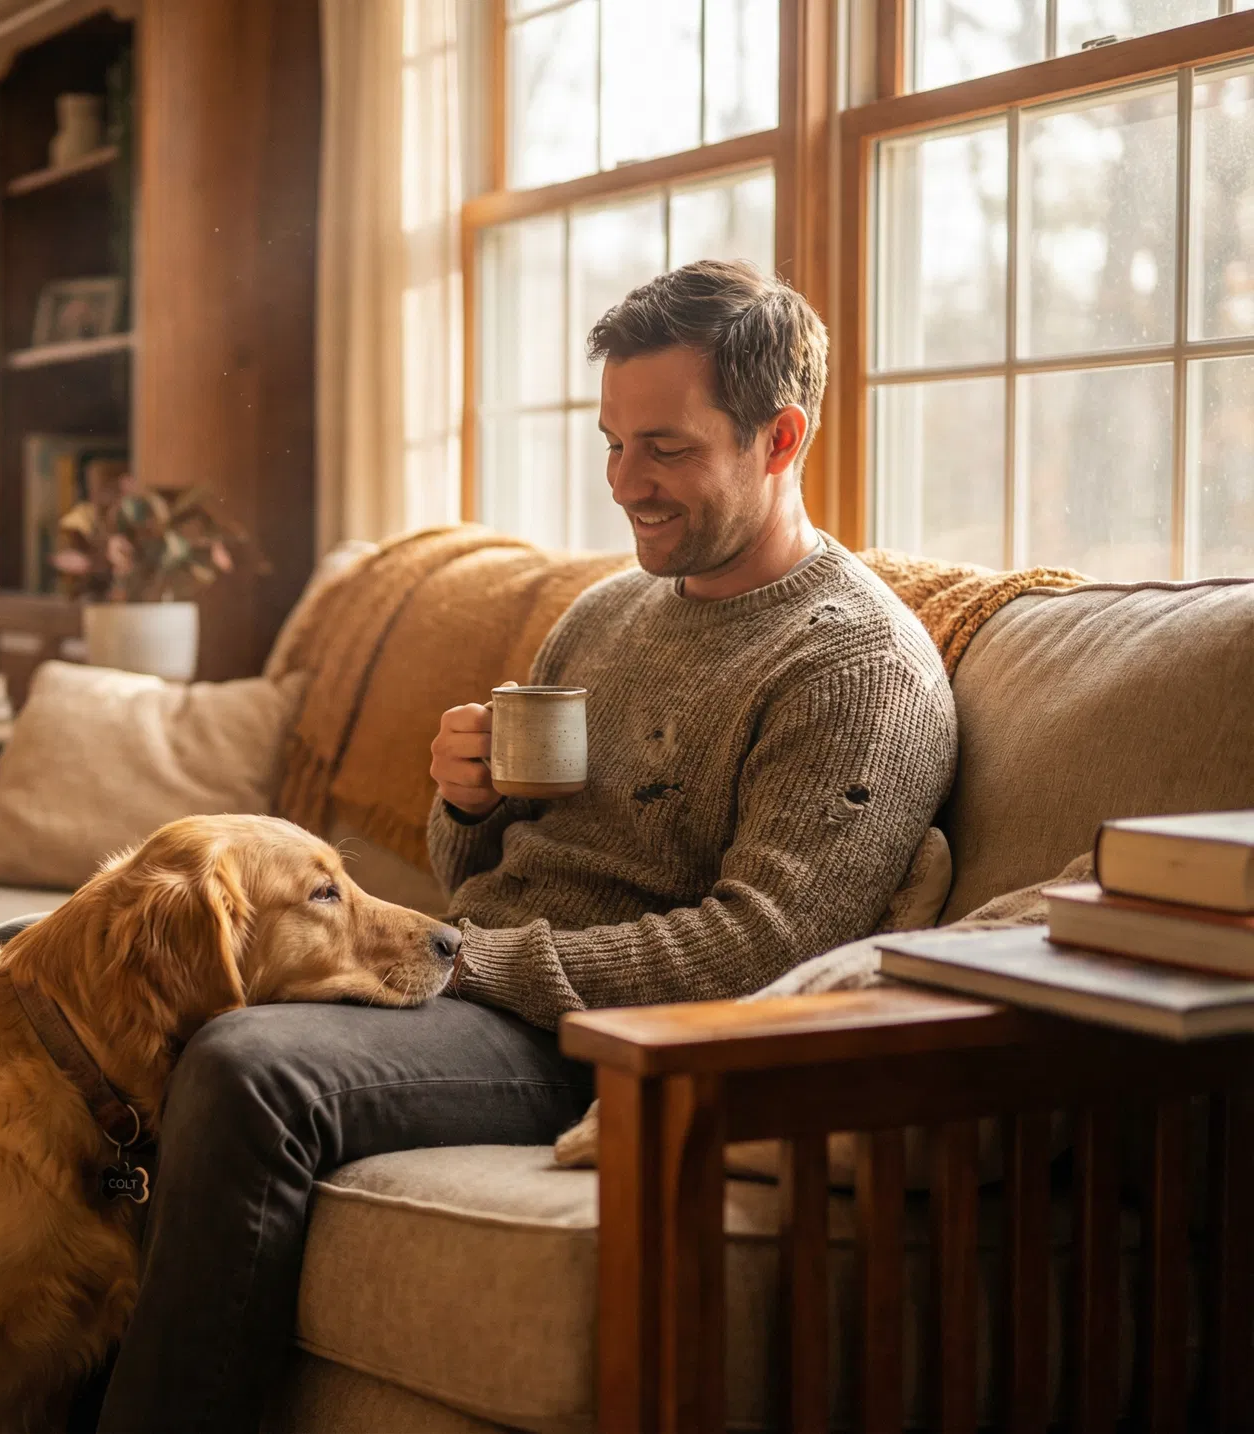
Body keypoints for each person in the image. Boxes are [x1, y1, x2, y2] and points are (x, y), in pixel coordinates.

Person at [90, 259, 958, 1431]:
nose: (625, 485)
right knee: (80, 964)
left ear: (781, 438)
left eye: (665, 449)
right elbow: (487, 878)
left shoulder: (854, 668)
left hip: (595, 1043)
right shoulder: (610, 610)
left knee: (254, 1072)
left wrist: (460, 961)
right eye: (612, 443)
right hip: (476, 976)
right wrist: (468, 808)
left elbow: (761, 953)